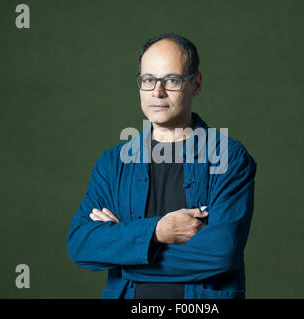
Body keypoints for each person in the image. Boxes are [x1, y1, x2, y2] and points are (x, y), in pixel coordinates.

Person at [67, 33, 257, 299]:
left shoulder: (228, 157)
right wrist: (157, 232)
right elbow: (81, 243)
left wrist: (125, 253)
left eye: (171, 80)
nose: (157, 92)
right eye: (148, 80)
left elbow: (220, 253)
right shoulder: (113, 163)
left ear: (196, 84)